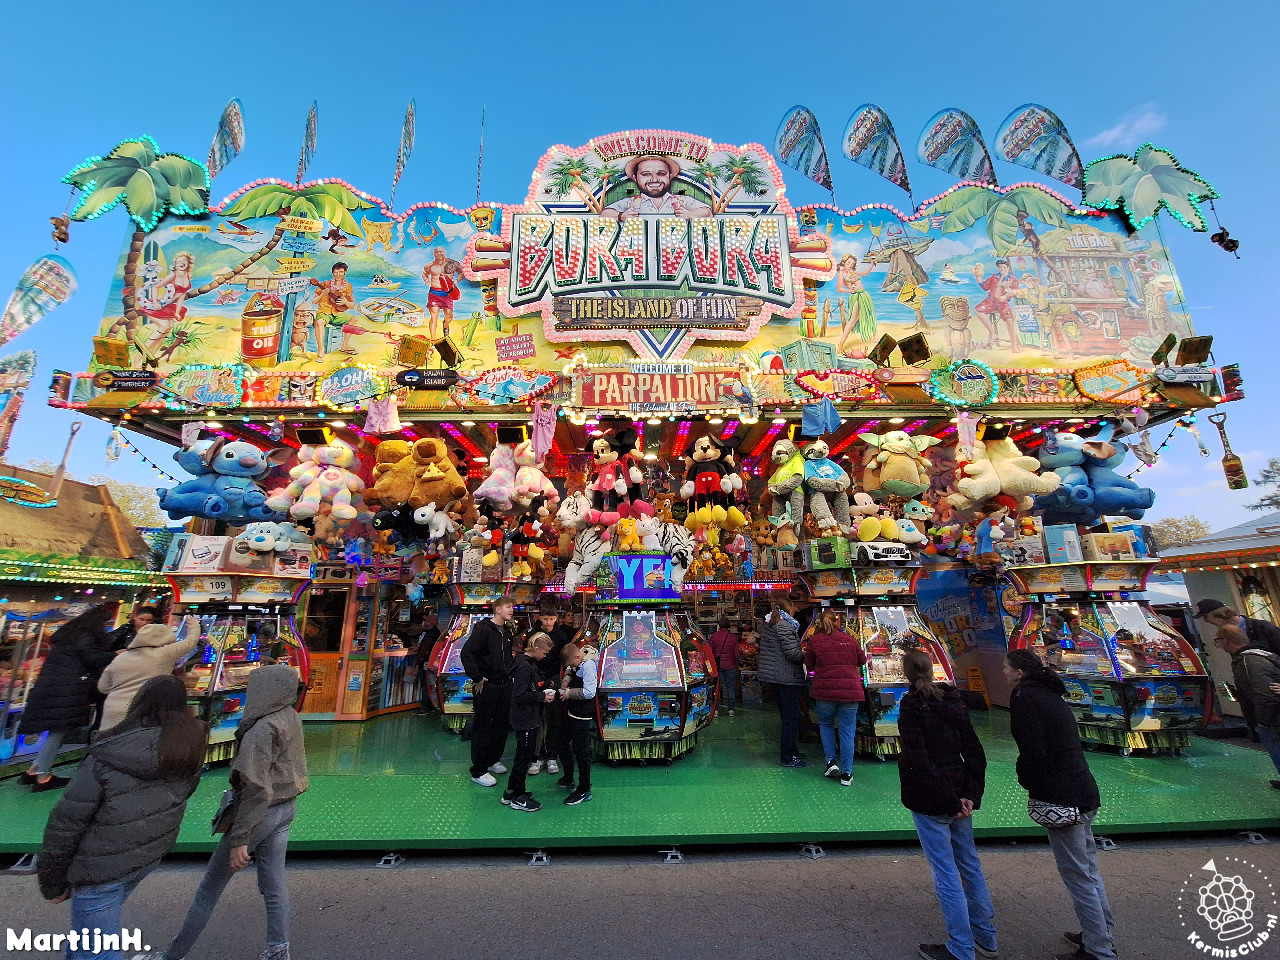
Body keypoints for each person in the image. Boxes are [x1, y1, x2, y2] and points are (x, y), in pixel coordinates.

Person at [143, 664, 308, 960]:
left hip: (259, 815)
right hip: (286, 808)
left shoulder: (261, 730)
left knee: (209, 889)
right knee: (274, 884)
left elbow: (256, 788)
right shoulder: (290, 716)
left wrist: (240, 839)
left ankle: (172, 955)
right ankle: (278, 949)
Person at [38, 675, 208, 960]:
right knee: (87, 938)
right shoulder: (190, 748)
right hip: (146, 855)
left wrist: (52, 881)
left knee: (96, 948)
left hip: (100, 864)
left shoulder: (107, 752)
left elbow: (66, 824)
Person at [1004, 649, 1114, 960]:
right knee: (1088, 869)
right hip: (1082, 788)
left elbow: (1032, 751)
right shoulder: (1051, 693)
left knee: (1077, 875)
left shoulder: (1024, 698)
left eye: (1006, 667)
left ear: (1020, 673)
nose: (1003, 672)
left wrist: (1027, 779)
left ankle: (1099, 950)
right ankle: (1099, 932)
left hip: (1060, 796)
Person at [898, 650, 998, 960]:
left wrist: (949, 800)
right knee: (970, 865)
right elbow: (975, 752)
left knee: (945, 872)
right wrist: (969, 795)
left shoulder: (911, 706)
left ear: (906, 674)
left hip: (932, 799)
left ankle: (961, 946)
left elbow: (919, 760)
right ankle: (986, 937)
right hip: (959, 793)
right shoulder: (954, 701)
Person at [18, 606, 117, 792]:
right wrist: (115, 654)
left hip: (53, 687)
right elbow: (93, 659)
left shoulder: (68, 636)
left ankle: (34, 769)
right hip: (67, 689)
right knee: (58, 732)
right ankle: (43, 776)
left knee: (58, 731)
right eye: (104, 624)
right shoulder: (85, 637)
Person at [97, 615, 201, 732]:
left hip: (112, 711)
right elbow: (190, 642)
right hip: (140, 711)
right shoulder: (165, 653)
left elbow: (103, 687)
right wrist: (194, 626)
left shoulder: (121, 657)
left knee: (110, 742)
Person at [803, 609, 867, 780]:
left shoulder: (814, 640)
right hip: (850, 691)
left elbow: (809, 664)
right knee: (847, 731)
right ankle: (847, 773)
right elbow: (862, 660)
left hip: (825, 691)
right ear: (836, 622)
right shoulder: (849, 639)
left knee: (826, 725)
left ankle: (831, 762)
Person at [1215, 624, 1280, 788]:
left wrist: (1263, 722)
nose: (1218, 645)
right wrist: (1234, 693)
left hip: (1271, 718)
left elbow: (1265, 694)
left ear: (1226, 640)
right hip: (1271, 716)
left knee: (1275, 746)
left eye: (1218, 641)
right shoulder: (1253, 657)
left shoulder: (1249, 661)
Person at [460, 598, 516, 787]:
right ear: (498, 609)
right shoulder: (484, 630)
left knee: (502, 724)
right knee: (483, 726)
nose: (512, 610)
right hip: (487, 685)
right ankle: (478, 770)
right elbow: (467, 653)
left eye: (512, 607)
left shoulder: (507, 632)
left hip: (505, 685)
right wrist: (477, 677)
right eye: (508, 607)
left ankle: (493, 759)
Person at [502, 632, 556, 812]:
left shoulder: (524, 662)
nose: (545, 656)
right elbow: (520, 694)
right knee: (523, 758)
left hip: (526, 716)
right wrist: (541, 697)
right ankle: (518, 797)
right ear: (537, 648)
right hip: (525, 718)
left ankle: (511, 791)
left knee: (522, 756)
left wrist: (542, 688)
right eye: (545, 653)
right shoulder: (525, 667)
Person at [756, 598, 806, 765]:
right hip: (786, 676)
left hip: (775, 676)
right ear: (788, 608)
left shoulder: (770, 624)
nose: (796, 609)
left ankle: (792, 751)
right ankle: (787, 756)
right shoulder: (784, 626)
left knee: (786, 715)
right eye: (794, 606)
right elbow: (793, 654)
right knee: (790, 717)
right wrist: (807, 653)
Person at [530, 605, 573, 776]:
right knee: (537, 719)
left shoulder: (561, 636)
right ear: (539, 618)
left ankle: (552, 756)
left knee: (554, 719)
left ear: (556, 619)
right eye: (545, 619)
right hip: (535, 679)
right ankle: (537, 756)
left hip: (554, 679)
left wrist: (565, 680)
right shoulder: (533, 634)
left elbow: (566, 659)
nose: (548, 622)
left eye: (551, 619)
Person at [602, 155, 712, 220]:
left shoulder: (681, 200)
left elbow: (707, 212)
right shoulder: (631, 202)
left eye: (661, 174)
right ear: (635, 178)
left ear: (669, 176)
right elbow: (604, 215)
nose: (654, 179)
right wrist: (621, 216)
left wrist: (690, 214)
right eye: (646, 174)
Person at [556, 642, 596, 806]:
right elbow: (570, 667)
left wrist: (568, 693)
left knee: (581, 751)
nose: (571, 666)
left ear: (578, 657)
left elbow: (589, 692)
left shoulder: (588, 666)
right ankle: (568, 777)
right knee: (562, 741)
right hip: (572, 712)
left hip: (582, 715)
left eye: (573, 662)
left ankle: (585, 788)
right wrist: (566, 679)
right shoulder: (579, 659)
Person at [309, 262, 363, 358]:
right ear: (332, 273)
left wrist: (346, 302)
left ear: (345, 272)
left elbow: (352, 305)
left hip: (337, 314)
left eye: (341, 272)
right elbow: (314, 301)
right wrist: (322, 295)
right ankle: (321, 350)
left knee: (354, 319)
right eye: (336, 272)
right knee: (319, 322)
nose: (338, 275)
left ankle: (344, 345)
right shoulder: (324, 284)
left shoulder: (348, 286)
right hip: (324, 312)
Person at [1194, 599, 1280, 656]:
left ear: (1220, 615)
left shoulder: (1263, 628)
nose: (1206, 621)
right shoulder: (1228, 635)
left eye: (1206, 617)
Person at [707, 618, 741, 717]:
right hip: (730, 665)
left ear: (719, 625)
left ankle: (716, 710)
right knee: (730, 687)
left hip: (718, 665)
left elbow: (709, 651)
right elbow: (737, 653)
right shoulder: (733, 637)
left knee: (717, 687)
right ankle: (731, 710)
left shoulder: (714, 636)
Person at [411, 613, 441, 715]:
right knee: (429, 684)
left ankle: (425, 707)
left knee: (425, 685)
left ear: (431, 622)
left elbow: (424, 650)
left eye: (427, 621)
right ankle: (431, 706)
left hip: (426, 662)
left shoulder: (430, 635)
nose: (424, 622)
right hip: (431, 662)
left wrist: (418, 661)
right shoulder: (435, 633)